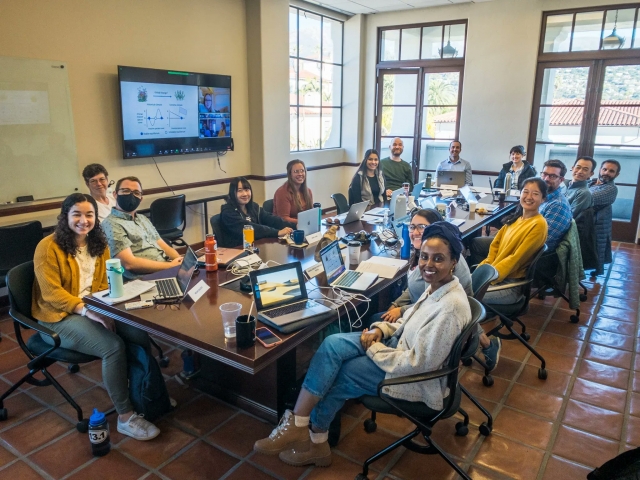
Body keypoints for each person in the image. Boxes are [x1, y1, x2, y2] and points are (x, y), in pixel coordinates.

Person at [253, 223, 472, 467]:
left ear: (454, 261)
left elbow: (419, 364)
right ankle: (298, 422)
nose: (428, 265)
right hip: (396, 346)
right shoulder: (438, 287)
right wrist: (380, 329)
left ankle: (317, 443)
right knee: (332, 344)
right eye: (424, 257)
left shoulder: (450, 308)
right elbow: (407, 320)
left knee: (339, 374)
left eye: (438, 259)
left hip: (413, 378)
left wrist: (374, 348)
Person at [32, 193, 161, 441]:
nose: (84, 220)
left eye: (89, 214)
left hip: (92, 308)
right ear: (65, 217)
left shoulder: (98, 244)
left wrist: (103, 309)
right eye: (77, 214)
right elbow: (51, 294)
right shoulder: (48, 246)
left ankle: (148, 393)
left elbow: (101, 284)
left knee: (137, 333)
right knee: (112, 346)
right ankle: (125, 417)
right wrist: (86, 310)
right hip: (58, 316)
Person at [101, 177, 183, 280]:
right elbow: (129, 263)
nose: (131, 195)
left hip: (165, 270)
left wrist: (179, 261)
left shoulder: (142, 219)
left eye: (136, 193)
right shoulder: (111, 224)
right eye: (125, 191)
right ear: (115, 194)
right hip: (144, 280)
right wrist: (171, 267)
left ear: (141, 199)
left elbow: (162, 244)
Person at [220, 177, 295, 247]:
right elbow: (250, 228)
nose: (245, 194)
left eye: (247, 190)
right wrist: (277, 232)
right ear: (232, 193)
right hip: (237, 250)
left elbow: (270, 219)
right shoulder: (228, 212)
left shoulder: (253, 207)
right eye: (240, 191)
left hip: (255, 246)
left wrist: (295, 226)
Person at [589, 159, 621, 276]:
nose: (606, 173)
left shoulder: (611, 189)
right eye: (605, 169)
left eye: (611, 171)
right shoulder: (591, 183)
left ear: (616, 175)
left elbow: (588, 198)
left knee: (598, 247)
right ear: (600, 170)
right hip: (589, 220)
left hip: (599, 223)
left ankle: (598, 270)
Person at [539, 159, 572, 251]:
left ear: (561, 180)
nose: (546, 179)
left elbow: (540, 240)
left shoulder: (559, 206)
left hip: (536, 257)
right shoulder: (543, 198)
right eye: (544, 174)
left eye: (552, 176)